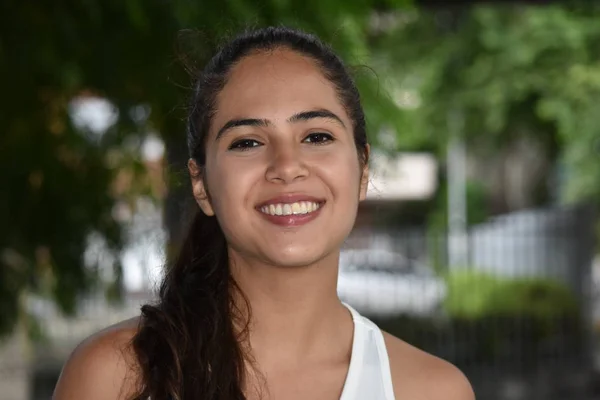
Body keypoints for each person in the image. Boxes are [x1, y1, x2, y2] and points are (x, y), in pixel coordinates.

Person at [53, 26, 475, 400]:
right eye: (247, 142)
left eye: (316, 135)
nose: (287, 166)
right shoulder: (115, 379)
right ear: (202, 185)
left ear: (363, 168)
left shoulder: (431, 390)